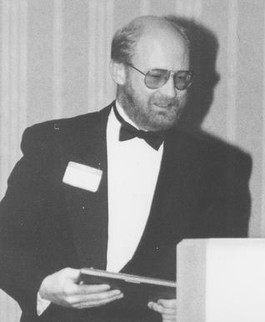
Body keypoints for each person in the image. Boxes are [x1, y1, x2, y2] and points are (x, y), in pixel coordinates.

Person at [0, 15, 251, 322]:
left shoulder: (218, 167)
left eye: (182, 78)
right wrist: (43, 286)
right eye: (156, 77)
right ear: (119, 70)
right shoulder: (55, 144)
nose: (171, 93)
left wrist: (198, 303)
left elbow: (224, 273)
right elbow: (5, 241)